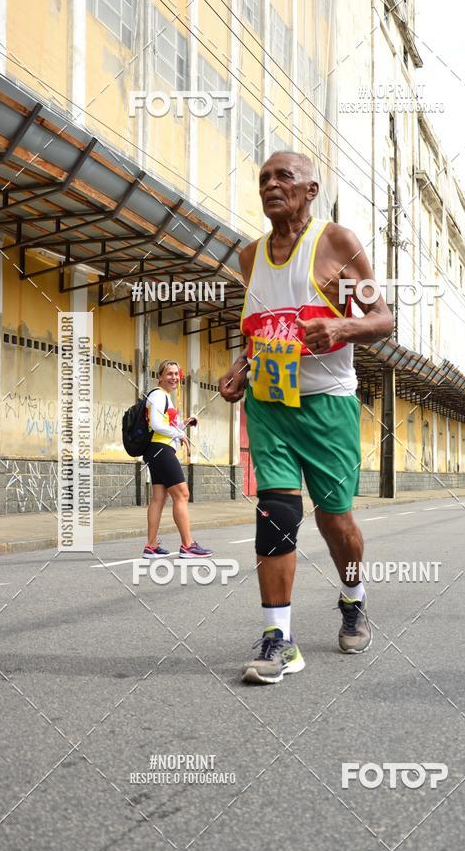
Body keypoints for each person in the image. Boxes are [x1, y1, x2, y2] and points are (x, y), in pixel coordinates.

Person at [219, 151, 394, 684]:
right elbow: (258, 330)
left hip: (328, 405)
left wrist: (341, 330)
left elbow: (384, 319)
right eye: (264, 179)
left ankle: (353, 596)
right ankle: (279, 639)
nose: (272, 185)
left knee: (335, 520)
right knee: (276, 513)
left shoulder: (336, 243)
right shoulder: (249, 257)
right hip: (270, 404)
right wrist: (239, 368)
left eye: (284, 177)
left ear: (311, 189)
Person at [142, 359, 212, 559]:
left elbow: (166, 427)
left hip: (157, 449)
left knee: (159, 498)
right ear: (160, 377)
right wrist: (180, 435)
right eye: (169, 374)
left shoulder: (164, 397)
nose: (174, 377)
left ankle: (151, 546)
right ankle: (188, 545)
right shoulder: (158, 395)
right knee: (182, 494)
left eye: (176, 374)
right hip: (160, 450)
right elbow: (156, 425)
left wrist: (184, 425)